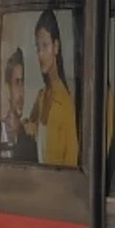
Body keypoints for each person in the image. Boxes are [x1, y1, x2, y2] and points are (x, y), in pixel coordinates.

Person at [26, 9, 79, 167]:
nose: (40, 54)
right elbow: (31, 129)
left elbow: (72, 157)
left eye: (45, 45)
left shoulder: (65, 102)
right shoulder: (41, 96)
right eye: (37, 47)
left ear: (56, 47)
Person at [0, 48, 38, 161]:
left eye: (23, 84)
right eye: (17, 83)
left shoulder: (29, 140)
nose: (21, 92)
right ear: (7, 88)